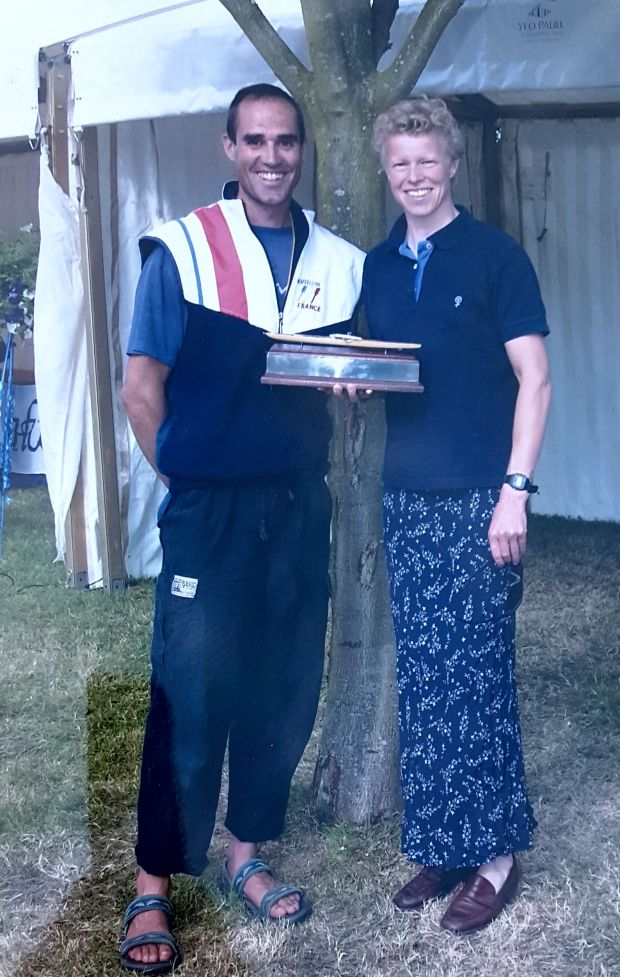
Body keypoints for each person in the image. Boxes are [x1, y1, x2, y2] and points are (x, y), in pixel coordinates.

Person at [119, 83, 364, 973]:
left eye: (286, 141)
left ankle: (245, 851)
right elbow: (140, 389)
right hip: (209, 509)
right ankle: (153, 883)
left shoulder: (336, 261)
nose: (272, 156)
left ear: (302, 150)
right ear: (228, 148)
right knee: (191, 688)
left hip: (296, 504)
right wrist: (185, 474)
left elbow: (342, 371)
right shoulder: (181, 251)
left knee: (283, 684)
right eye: (254, 140)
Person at [359, 96, 551, 934]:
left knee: (478, 673)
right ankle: (443, 842)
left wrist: (516, 489)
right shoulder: (374, 266)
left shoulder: (496, 256)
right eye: (400, 161)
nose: (414, 174)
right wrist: (355, 381)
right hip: (406, 494)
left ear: (453, 162)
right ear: (385, 168)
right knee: (428, 681)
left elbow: (535, 380)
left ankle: (497, 855)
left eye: (427, 159)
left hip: (481, 497)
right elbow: (381, 369)